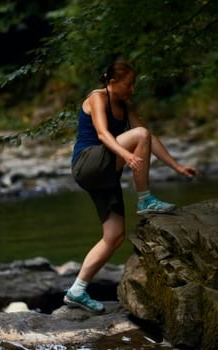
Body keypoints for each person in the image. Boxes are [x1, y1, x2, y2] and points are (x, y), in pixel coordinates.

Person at [64, 60, 200, 312]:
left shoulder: (125, 106)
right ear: (112, 82)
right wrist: (125, 156)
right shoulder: (97, 97)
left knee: (114, 235)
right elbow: (103, 134)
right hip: (88, 164)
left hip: (104, 174)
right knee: (139, 136)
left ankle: (77, 290)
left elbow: (147, 135)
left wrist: (176, 166)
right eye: (129, 84)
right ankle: (145, 198)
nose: (133, 89)